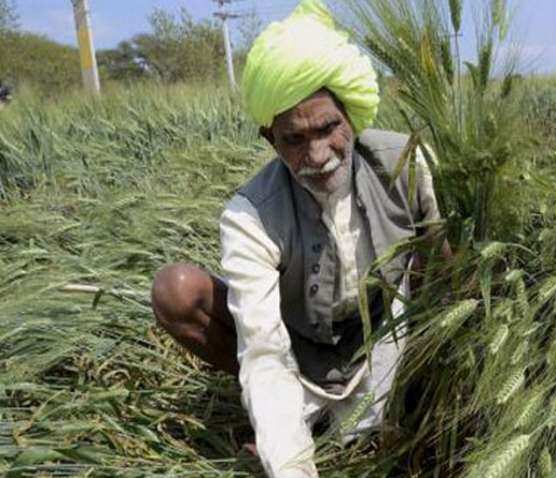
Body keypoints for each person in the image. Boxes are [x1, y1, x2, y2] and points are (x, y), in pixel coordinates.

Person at [150, 1, 446, 476]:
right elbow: (264, 349)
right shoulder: (251, 216)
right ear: (270, 140)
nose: (318, 155)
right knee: (175, 289)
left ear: (350, 115)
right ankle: (296, 426)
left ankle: (390, 408)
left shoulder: (406, 163)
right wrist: (291, 464)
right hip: (299, 356)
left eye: (328, 128)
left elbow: (444, 277)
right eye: (294, 139)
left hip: (385, 342)